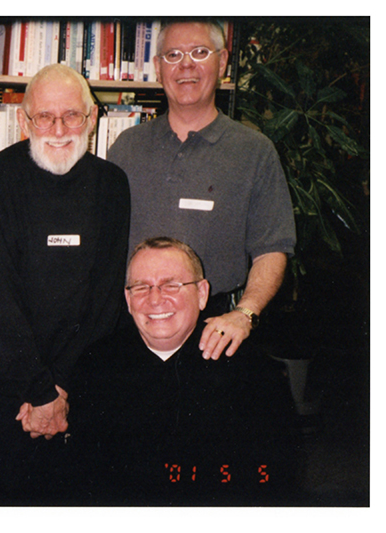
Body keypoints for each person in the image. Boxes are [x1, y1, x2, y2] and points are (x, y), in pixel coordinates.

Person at [0, 63, 130, 503]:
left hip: (84, 379)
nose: (59, 129)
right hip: (15, 382)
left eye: (72, 116)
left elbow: (106, 297)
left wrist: (61, 387)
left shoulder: (112, 184)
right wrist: (40, 392)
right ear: (24, 121)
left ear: (92, 118)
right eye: (44, 117)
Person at [107, 19, 296, 361]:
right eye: (173, 55)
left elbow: (272, 249)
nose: (186, 65)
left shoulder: (254, 151)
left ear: (222, 62)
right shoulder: (125, 148)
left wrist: (245, 314)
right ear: (158, 68)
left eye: (199, 52)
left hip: (218, 331)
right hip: (134, 327)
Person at [72, 237, 294, 504]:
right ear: (128, 300)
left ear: (202, 294)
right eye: (141, 287)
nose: (155, 300)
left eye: (171, 285)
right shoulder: (96, 365)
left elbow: (274, 479)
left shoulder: (251, 370)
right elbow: (84, 479)